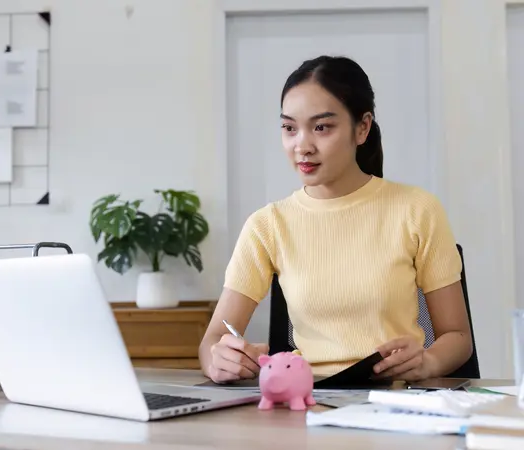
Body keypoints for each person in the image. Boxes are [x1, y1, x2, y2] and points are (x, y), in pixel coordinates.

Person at [198, 55, 473, 383]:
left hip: (394, 405)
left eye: (321, 127)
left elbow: (457, 338)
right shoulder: (267, 225)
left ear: (362, 127)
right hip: (305, 405)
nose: (302, 146)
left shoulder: (417, 210)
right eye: (289, 128)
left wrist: (426, 362)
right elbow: (212, 341)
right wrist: (219, 359)